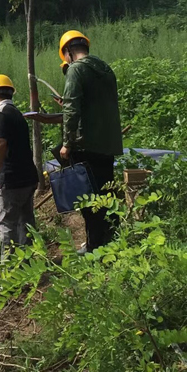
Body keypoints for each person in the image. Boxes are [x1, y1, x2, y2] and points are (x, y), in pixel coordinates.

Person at [58, 29, 123, 252]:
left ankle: (94, 246)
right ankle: (112, 242)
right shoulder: (105, 69)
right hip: (108, 144)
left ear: (68, 51)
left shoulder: (76, 69)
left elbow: (71, 109)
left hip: (86, 145)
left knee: (88, 199)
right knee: (107, 195)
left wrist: (67, 143)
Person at [0, 75, 39, 260]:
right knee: (26, 223)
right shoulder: (16, 112)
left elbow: (1, 142)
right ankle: (29, 265)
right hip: (28, 177)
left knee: (7, 225)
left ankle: (9, 269)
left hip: (12, 179)